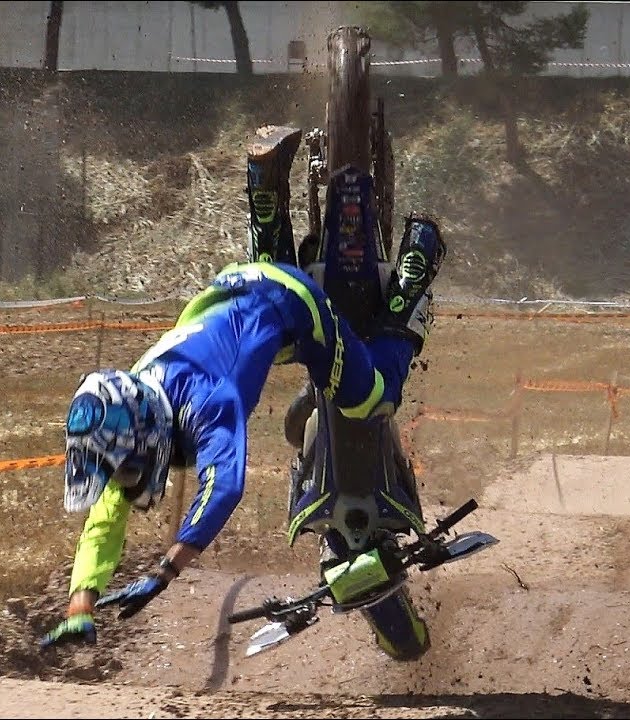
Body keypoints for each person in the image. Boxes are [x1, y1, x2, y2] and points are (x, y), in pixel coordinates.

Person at [40, 128, 446, 649]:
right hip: (234, 287)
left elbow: (224, 488)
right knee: (265, 340)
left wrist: (167, 569)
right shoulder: (136, 396)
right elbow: (104, 518)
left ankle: (412, 274)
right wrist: (80, 604)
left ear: (144, 432)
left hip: (294, 305)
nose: (128, 478)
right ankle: (264, 194)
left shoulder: (207, 404)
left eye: (126, 466)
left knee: (374, 398)